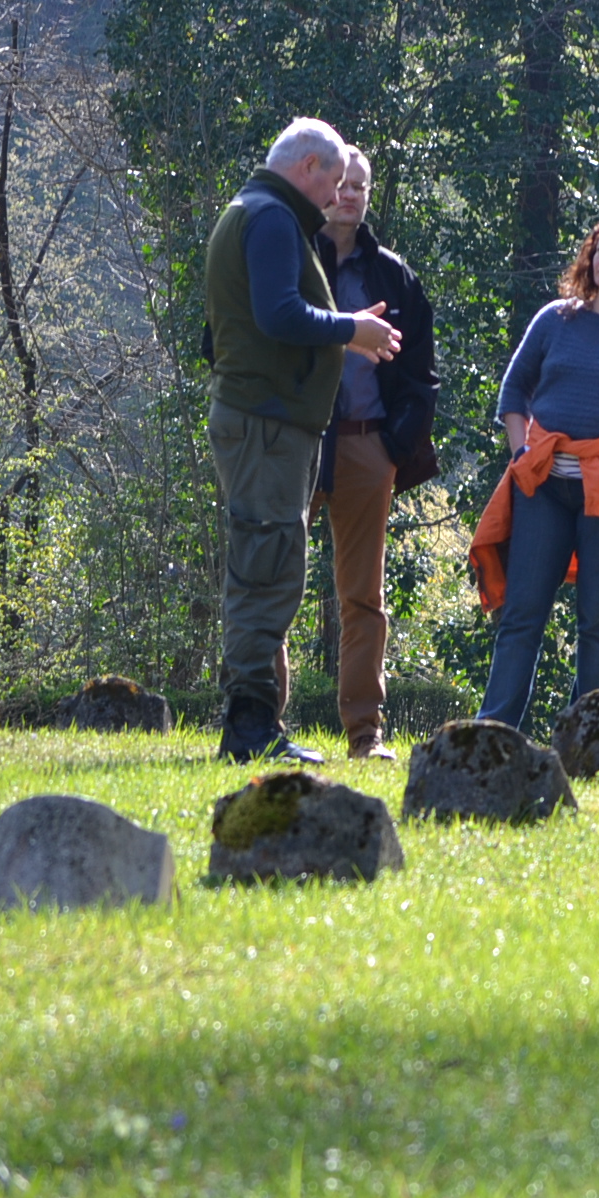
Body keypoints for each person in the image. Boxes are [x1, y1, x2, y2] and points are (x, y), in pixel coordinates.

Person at [204, 118, 401, 763]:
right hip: (266, 426)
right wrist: (350, 330)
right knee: (267, 570)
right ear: (309, 167)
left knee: (263, 566)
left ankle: (252, 724)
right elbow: (278, 314)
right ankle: (250, 729)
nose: (336, 196)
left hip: (264, 421)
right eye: (334, 181)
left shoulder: (255, 209)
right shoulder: (270, 217)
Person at [470, 212, 599, 732]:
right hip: (542, 485)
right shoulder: (555, 319)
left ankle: (593, 737)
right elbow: (514, 391)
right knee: (521, 615)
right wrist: (521, 453)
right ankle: (494, 732)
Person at [271, 148, 440, 760]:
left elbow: (421, 374)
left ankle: (366, 734)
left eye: (360, 187)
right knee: (275, 581)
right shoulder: (289, 255)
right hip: (296, 440)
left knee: (364, 598)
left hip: (368, 446)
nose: (349, 195)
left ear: (368, 196)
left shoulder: (394, 276)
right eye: (341, 183)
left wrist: (393, 446)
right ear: (323, 185)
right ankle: (264, 724)